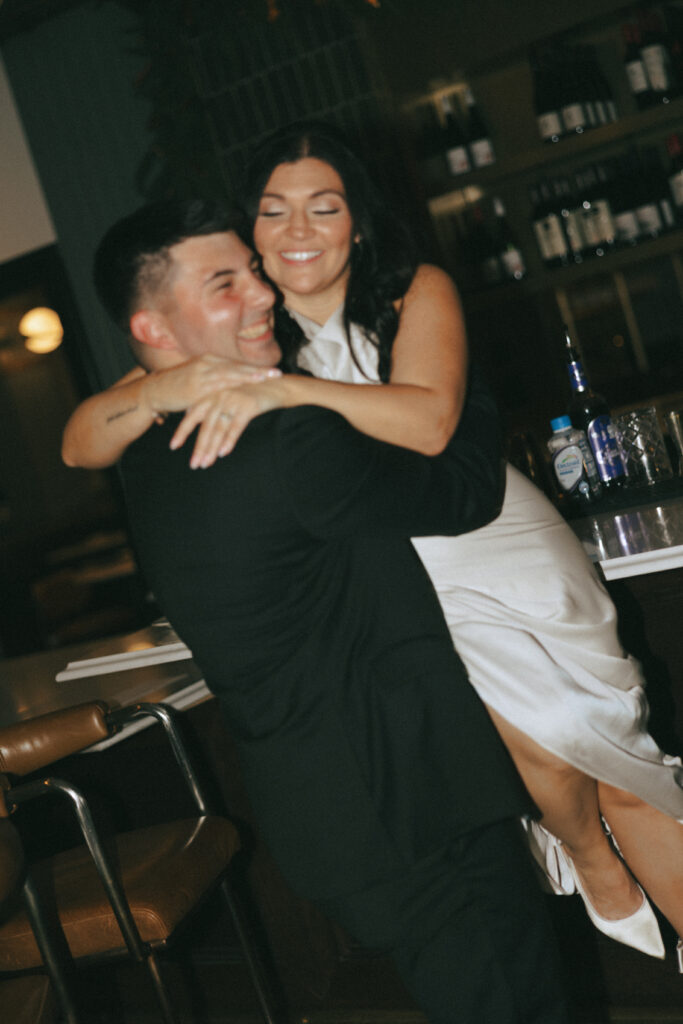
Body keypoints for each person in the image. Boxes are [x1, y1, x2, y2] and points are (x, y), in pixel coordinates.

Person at [63, 123, 683, 970]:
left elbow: (428, 422)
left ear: (357, 221)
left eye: (325, 207)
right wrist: (165, 385)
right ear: (250, 230)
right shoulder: (245, 324)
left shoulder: (409, 290)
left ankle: (602, 866)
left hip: (494, 541)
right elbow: (81, 444)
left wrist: (283, 390)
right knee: (541, 745)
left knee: (608, 746)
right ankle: (588, 854)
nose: (299, 230)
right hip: (403, 572)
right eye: (274, 211)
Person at [85, 196, 572, 1024]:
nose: (262, 293)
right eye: (224, 284)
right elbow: (462, 489)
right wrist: (450, 377)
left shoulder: (144, 454)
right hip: (415, 805)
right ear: (154, 330)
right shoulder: (289, 437)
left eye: (253, 270)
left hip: (328, 813)